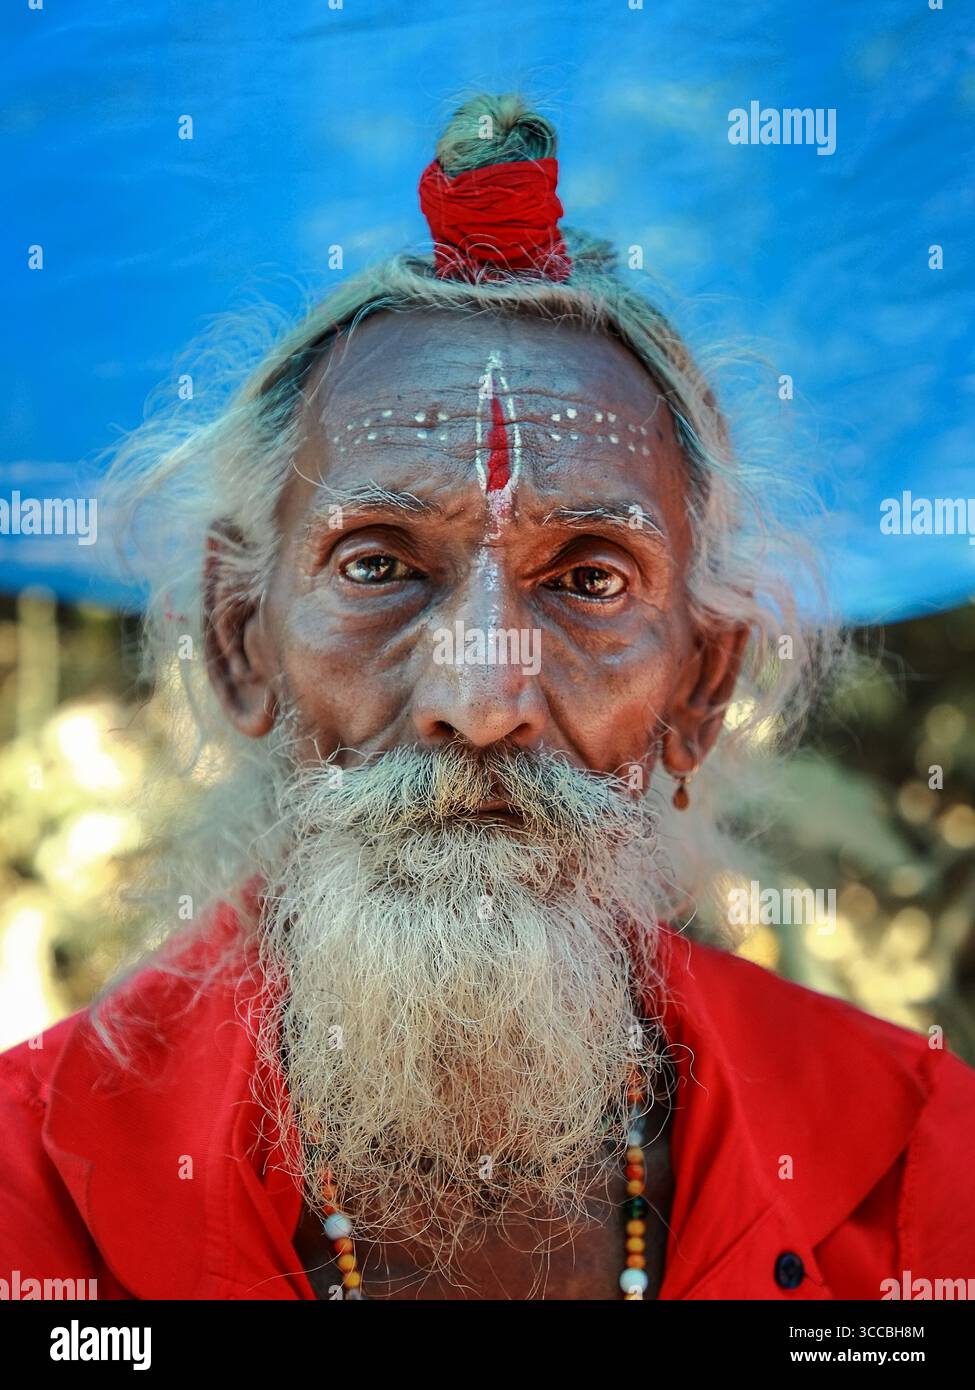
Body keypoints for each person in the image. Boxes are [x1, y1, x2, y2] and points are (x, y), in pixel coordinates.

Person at [1, 93, 973, 1302]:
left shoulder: (926, 1168)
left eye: (588, 578)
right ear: (240, 638)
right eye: (379, 566)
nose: (481, 696)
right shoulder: (24, 1192)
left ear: (703, 682)